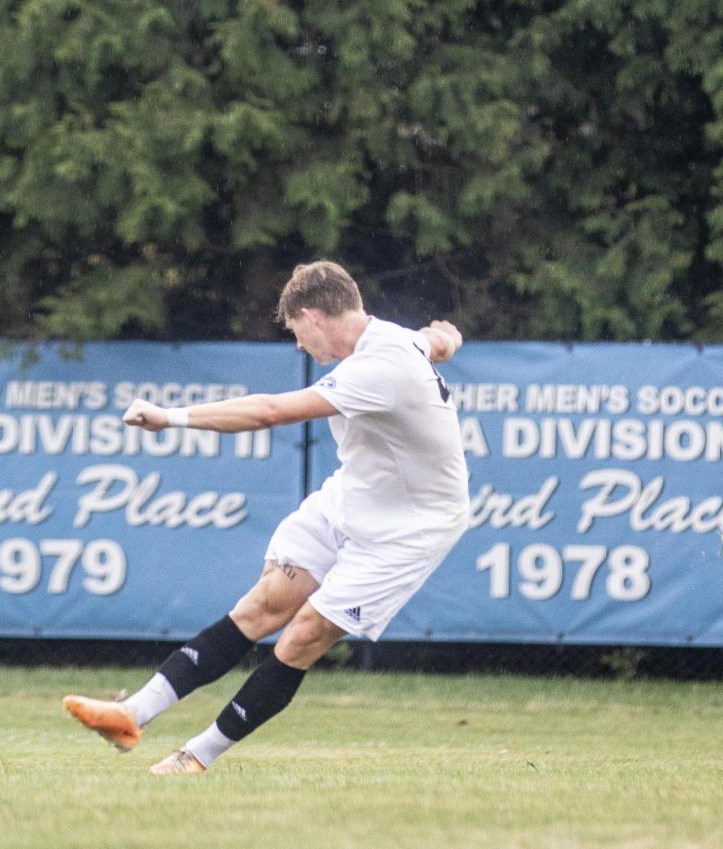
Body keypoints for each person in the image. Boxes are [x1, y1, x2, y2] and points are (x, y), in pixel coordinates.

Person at [62, 259, 471, 774]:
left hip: (411, 526)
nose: (301, 346)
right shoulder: (392, 342)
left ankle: (196, 756)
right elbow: (429, 344)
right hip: (354, 497)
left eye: (298, 332)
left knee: (303, 635)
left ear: (312, 315)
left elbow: (269, 412)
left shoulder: (379, 366)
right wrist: (444, 342)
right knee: (264, 605)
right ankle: (131, 714)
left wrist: (171, 417)